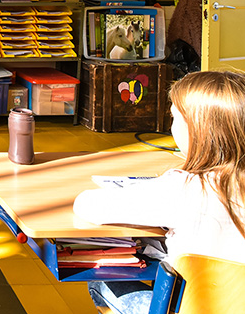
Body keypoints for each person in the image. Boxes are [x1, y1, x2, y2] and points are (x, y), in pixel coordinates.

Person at [74, 70, 245, 313]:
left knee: (101, 277)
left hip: (188, 307)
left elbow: (87, 205)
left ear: (198, 131)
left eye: (175, 118)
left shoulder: (184, 188)